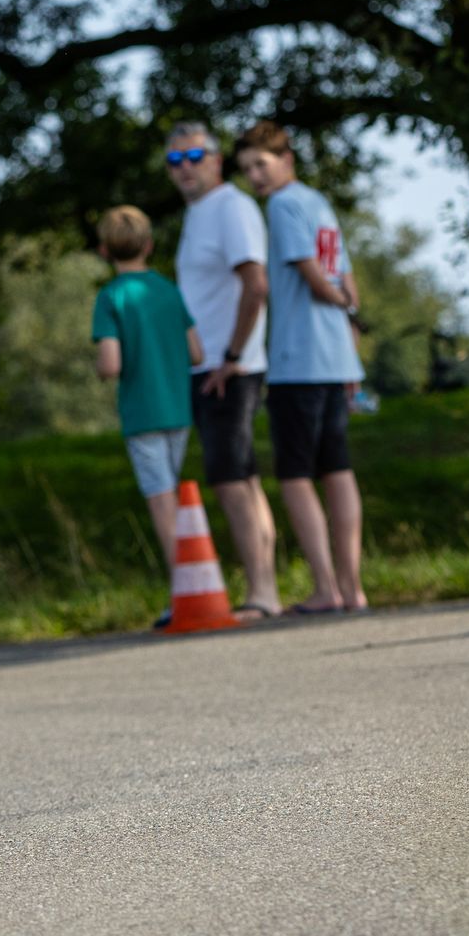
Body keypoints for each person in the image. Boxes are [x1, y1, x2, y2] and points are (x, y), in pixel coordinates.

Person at [234, 120, 367, 614]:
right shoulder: (320, 202)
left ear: (286, 158)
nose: (256, 178)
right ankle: (353, 588)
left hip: (298, 360)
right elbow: (348, 280)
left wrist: (337, 303)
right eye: (248, 170)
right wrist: (350, 319)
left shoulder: (285, 205)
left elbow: (316, 278)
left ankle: (327, 587)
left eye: (261, 165)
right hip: (336, 359)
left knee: (296, 475)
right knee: (338, 470)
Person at [166, 121, 282, 620]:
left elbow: (256, 285)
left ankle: (262, 592)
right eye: (175, 160)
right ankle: (264, 589)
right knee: (243, 478)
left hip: (227, 368)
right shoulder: (200, 213)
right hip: (210, 366)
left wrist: (233, 357)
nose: (185, 168)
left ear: (216, 159)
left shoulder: (231, 207)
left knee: (232, 479)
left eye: (194, 157)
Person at [91, 207, 203, 615]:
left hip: (142, 414)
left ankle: (185, 592)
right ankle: (196, 582)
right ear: (149, 245)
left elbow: (111, 364)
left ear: (105, 251)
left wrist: (100, 368)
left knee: (161, 502)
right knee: (173, 491)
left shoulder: (111, 296)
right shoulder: (169, 290)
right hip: (178, 407)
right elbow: (196, 351)